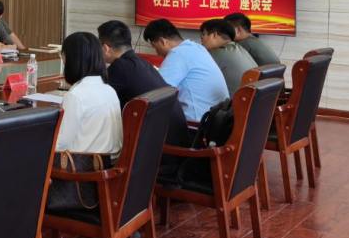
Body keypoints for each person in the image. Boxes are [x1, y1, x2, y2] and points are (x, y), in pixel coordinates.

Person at [97, 20, 188, 149]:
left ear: (105, 48)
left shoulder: (120, 67)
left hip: (160, 151)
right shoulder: (141, 63)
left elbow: (96, 102)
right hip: (175, 144)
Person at [143, 18, 229, 122]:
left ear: (162, 41)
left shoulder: (178, 53)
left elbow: (156, 90)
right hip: (216, 119)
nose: (157, 53)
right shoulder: (197, 48)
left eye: (155, 47)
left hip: (198, 124)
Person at [56, 32, 123, 154]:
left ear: (71, 59)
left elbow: (61, 143)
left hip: (84, 163)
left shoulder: (76, 95)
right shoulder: (109, 90)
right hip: (109, 160)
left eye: (63, 55)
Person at [200, 18, 259, 97]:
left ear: (214, 35)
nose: (201, 42)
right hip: (251, 100)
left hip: (233, 103)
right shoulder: (239, 48)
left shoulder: (217, 53)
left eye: (203, 35)